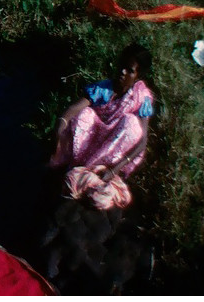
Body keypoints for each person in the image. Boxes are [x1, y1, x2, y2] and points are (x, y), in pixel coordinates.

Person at [48, 43, 155, 210]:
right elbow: (73, 110)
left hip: (112, 152)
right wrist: (59, 128)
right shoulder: (103, 89)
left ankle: (93, 170)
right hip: (92, 141)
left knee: (132, 125)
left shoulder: (141, 98)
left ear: (138, 76)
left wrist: (114, 170)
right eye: (122, 66)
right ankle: (78, 164)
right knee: (85, 114)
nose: (122, 72)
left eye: (130, 70)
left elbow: (142, 143)